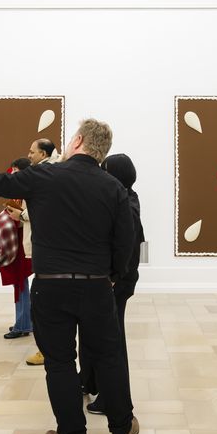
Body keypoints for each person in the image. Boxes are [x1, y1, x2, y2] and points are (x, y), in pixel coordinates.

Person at [0, 118, 137, 434]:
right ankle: (122, 429)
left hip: (51, 287)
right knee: (108, 356)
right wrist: (112, 275)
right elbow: (125, 242)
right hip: (96, 286)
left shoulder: (43, 176)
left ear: (78, 141)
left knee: (60, 362)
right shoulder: (113, 187)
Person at [82, 154, 145, 415]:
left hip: (116, 283)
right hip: (117, 280)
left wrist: (112, 277)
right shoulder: (127, 198)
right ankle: (90, 382)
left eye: (105, 170)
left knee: (112, 342)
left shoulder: (127, 206)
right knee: (99, 336)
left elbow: (127, 248)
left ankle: (111, 400)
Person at [8, 138, 63, 365]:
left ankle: (46, 348)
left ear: (43, 154)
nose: (29, 155)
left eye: (32, 152)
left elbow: (42, 208)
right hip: (46, 245)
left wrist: (20, 215)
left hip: (45, 246)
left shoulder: (44, 176)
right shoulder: (50, 173)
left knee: (44, 300)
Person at [0, 158, 34, 339]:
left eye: (16, 172)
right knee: (20, 284)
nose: (12, 175)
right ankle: (24, 321)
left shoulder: (28, 191)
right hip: (19, 242)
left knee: (20, 283)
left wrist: (14, 216)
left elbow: (26, 218)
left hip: (22, 243)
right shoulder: (24, 189)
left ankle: (23, 323)